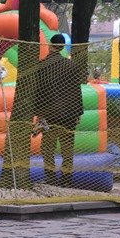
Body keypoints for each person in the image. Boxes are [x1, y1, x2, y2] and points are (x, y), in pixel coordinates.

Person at [33, 34, 85, 187]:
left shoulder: (42, 66)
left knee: (47, 147)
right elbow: (76, 91)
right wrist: (78, 112)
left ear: (50, 45)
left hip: (49, 114)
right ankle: (67, 179)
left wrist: (38, 114)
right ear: (62, 47)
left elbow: (39, 92)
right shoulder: (72, 66)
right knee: (67, 148)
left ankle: (50, 177)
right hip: (69, 115)